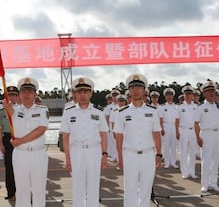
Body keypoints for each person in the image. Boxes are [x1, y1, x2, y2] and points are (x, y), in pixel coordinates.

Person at [115, 74, 162, 207]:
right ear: (129, 91)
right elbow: (119, 137)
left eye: (139, 87)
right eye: (133, 88)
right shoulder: (122, 112)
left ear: (144, 91)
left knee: (146, 190)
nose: (136, 90)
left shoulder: (153, 111)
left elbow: (157, 133)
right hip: (129, 154)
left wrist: (159, 153)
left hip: (148, 154)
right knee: (129, 189)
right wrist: (120, 157)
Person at [61, 77, 108, 207]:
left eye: (85, 92)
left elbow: (104, 135)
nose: (82, 95)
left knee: (93, 184)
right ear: (75, 94)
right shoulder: (68, 112)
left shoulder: (98, 111)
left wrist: (104, 154)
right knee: (77, 186)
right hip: (76, 151)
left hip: (94, 151)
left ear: (90, 93)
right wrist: (68, 159)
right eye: (79, 92)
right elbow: (65, 137)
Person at [3, 77, 49, 207]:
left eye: (30, 91)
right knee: (22, 190)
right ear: (19, 95)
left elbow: (40, 130)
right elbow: (9, 111)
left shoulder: (42, 110)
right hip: (20, 154)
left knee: (39, 189)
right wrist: (7, 107)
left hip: (38, 154)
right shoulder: (14, 110)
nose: (27, 94)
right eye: (24, 91)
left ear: (35, 94)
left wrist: (20, 141)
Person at [194, 81, 219, 192]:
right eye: (209, 91)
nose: (212, 93)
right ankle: (205, 183)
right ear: (204, 93)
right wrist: (198, 137)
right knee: (206, 160)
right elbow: (196, 123)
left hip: (217, 134)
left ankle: (214, 183)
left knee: (216, 159)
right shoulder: (200, 107)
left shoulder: (218, 106)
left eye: (213, 91)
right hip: (206, 134)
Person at [0, 85, 19, 201]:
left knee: (21, 167)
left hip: (19, 139)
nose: (12, 97)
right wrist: (1, 144)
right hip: (7, 138)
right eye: (10, 95)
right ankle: (11, 192)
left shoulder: (21, 110)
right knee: (9, 167)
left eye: (14, 95)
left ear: (18, 97)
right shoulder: (1, 112)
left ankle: (21, 191)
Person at [175, 85, 198, 179]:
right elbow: (176, 120)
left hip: (193, 130)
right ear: (184, 95)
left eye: (190, 94)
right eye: (186, 94)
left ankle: (192, 172)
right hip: (183, 130)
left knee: (192, 152)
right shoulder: (179, 107)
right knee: (184, 152)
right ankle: (184, 172)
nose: (188, 96)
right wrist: (177, 131)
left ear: (192, 95)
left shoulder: (196, 106)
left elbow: (197, 121)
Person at [158, 87, 178, 168]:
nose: (169, 97)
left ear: (173, 96)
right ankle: (166, 163)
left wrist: (177, 130)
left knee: (174, 145)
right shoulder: (162, 107)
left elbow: (177, 119)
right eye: (167, 95)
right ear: (165, 97)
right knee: (166, 145)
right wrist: (162, 128)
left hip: (174, 126)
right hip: (166, 126)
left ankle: (173, 162)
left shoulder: (177, 107)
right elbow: (161, 119)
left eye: (170, 95)